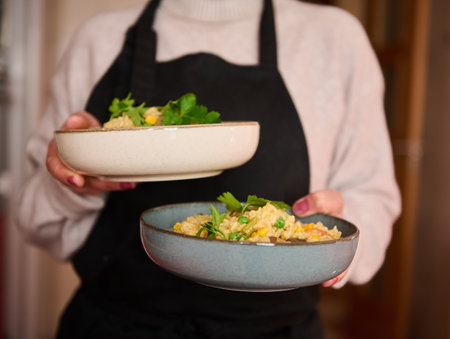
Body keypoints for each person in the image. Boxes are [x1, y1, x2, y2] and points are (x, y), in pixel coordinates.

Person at [14, 0, 401, 338]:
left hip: (277, 331)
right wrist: (73, 182)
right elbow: (32, 218)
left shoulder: (334, 39)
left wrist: (335, 234)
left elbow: (372, 198)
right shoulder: (97, 39)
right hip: (113, 324)